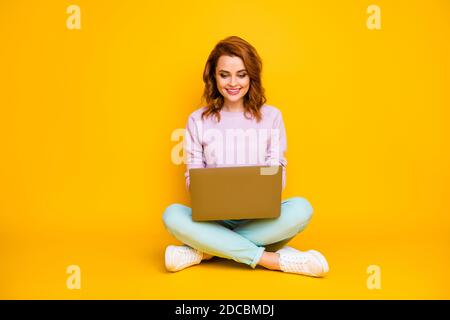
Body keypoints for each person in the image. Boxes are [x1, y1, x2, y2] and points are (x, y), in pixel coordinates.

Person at [162, 36, 329, 277]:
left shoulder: (272, 117)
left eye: (241, 74)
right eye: (224, 74)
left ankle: (206, 250)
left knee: (302, 209)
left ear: (251, 76)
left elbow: (277, 175)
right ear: (213, 76)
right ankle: (271, 260)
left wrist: (258, 187)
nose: (233, 83)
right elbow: (193, 179)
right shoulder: (197, 120)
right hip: (213, 222)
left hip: (259, 221)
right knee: (172, 215)